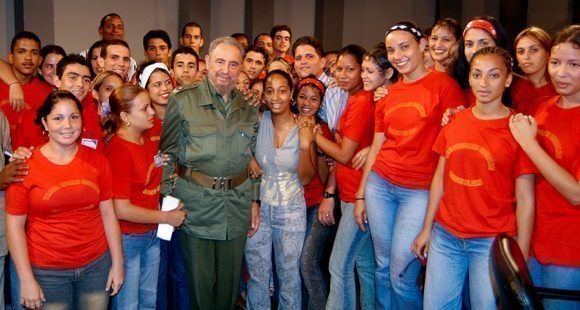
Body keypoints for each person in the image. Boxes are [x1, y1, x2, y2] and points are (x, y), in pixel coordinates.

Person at [413, 46, 535, 309]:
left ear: (508, 79)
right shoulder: (454, 121)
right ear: (468, 77)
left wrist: (519, 256)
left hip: (490, 241)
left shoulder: (518, 130)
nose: (484, 83)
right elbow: (440, 179)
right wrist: (426, 228)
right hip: (446, 236)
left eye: (493, 75)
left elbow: (525, 199)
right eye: (477, 74)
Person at [355, 21, 466, 309]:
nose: (397, 55)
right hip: (380, 184)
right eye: (391, 49)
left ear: (422, 46)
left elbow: (451, 149)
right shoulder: (388, 93)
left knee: (402, 273)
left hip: (419, 192)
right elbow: (377, 147)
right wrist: (361, 194)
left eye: (404, 46)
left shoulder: (446, 87)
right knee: (382, 267)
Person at [160, 36, 260, 310]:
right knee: (200, 289)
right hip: (196, 207)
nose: (225, 70)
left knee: (228, 290)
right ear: (206, 62)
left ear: (241, 69)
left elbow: (254, 160)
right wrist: (171, 199)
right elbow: (166, 155)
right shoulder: (183, 102)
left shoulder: (249, 107)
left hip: (236, 207)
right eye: (219, 61)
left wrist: (255, 200)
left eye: (233, 64)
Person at [6, 90, 124, 310]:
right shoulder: (24, 166)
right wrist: (26, 279)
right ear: (45, 123)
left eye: (73, 117)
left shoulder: (97, 161)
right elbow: (14, 227)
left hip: (96, 267)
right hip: (46, 272)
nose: (67, 125)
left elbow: (108, 215)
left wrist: (118, 264)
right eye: (57, 118)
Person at [510, 24, 580, 309]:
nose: (560, 73)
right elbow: (525, 184)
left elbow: (576, 194)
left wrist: (530, 144)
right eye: (555, 62)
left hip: (568, 251)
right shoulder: (543, 108)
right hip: (533, 240)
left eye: (574, 64)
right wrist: (522, 248)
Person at [103, 85, 185, 309]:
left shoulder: (146, 138)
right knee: (128, 304)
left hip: (151, 234)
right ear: (125, 116)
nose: (152, 112)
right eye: (145, 108)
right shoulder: (119, 151)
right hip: (128, 238)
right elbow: (121, 208)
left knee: (149, 300)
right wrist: (165, 217)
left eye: (150, 106)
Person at [310, 44, 376, 310]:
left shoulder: (361, 102)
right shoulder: (355, 99)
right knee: (366, 266)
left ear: (363, 70)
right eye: (339, 69)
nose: (344, 74)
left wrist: (314, 135)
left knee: (339, 265)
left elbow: (344, 154)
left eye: (352, 69)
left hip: (359, 195)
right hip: (352, 191)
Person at [245, 69, 316, 309]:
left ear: (292, 94)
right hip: (259, 207)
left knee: (288, 277)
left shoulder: (303, 126)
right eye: (270, 91)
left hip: (291, 209)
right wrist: (248, 159)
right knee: (257, 275)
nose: (276, 97)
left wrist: (306, 146)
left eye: (282, 91)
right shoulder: (257, 120)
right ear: (263, 95)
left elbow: (306, 178)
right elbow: (234, 140)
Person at [294, 76, 334, 309]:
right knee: (295, 264)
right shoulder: (287, 122)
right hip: (292, 205)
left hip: (316, 203)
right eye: (302, 97)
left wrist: (315, 142)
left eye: (314, 99)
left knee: (307, 262)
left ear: (321, 103)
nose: (307, 103)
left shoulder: (324, 130)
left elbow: (321, 176)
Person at [0, 31, 53, 145]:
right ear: (11, 58)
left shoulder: (47, 92)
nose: (28, 58)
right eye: (21, 52)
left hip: (30, 157)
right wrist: (14, 84)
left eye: (34, 53)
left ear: (39, 60)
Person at [511, 27, 557, 114]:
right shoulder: (509, 86)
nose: (526, 56)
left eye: (534, 50)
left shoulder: (560, 87)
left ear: (548, 54)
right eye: (521, 51)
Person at [137, 62, 174, 147]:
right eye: (157, 85)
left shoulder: (183, 115)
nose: (165, 88)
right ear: (145, 89)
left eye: (168, 82)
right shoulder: (143, 124)